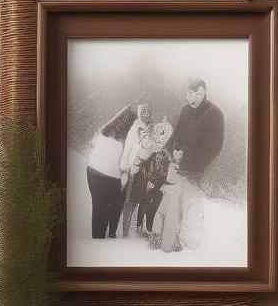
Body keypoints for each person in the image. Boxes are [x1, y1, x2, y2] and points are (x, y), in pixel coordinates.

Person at [153, 79, 225, 253]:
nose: (192, 97)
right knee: (169, 206)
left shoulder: (215, 114)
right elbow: (175, 136)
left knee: (190, 214)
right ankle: (163, 243)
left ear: (204, 93)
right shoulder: (185, 109)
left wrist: (185, 158)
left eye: (197, 93)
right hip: (175, 168)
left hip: (195, 175)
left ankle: (186, 252)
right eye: (189, 93)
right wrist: (171, 151)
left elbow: (214, 149)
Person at [86, 104, 141, 240]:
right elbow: (128, 163)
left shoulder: (107, 131)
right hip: (110, 176)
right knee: (109, 207)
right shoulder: (129, 138)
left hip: (92, 170)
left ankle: (96, 237)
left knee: (98, 206)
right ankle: (104, 237)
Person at [120, 116, 171, 238]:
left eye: (164, 135)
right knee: (131, 202)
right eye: (159, 133)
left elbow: (163, 166)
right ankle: (125, 231)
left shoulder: (162, 150)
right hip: (140, 174)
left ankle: (137, 228)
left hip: (150, 179)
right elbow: (144, 148)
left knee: (142, 203)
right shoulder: (150, 142)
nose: (161, 136)